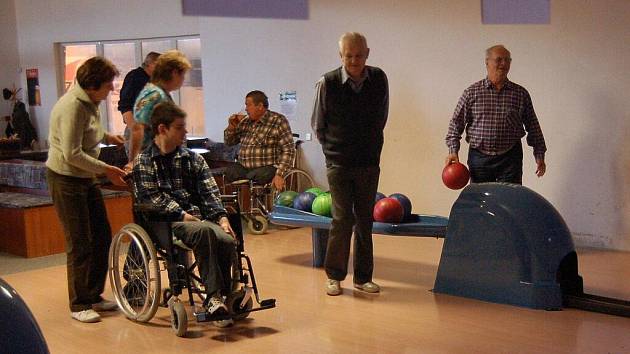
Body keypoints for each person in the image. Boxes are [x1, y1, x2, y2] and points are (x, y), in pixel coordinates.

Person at [132, 101, 237, 328]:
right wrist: (182, 214)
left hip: (199, 220)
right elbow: (151, 198)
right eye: (180, 127)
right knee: (204, 231)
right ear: (162, 129)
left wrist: (222, 217)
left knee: (227, 238)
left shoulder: (193, 159)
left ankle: (223, 296)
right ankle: (213, 297)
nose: (185, 132)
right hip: (166, 222)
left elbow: (210, 192)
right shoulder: (144, 161)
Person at [45, 56, 127, 323]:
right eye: (108, 85)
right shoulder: (72, 106)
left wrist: (107, 136)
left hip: (84, 178)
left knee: (102, 236)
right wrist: (105, 168)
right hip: (66, 178)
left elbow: (89, 131)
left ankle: (93, 295)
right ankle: (79, 304)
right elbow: (71, 153)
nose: (111, 90)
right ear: (92, 85)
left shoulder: (90, 102)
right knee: (79, 242)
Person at [311, 32, 389, 296]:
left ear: (367, 53)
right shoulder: (328, 82)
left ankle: (363, 278)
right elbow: (317, 124)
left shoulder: (379, 78)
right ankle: (334, 276)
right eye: (348, 56)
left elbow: (381, 117)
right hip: (338, 163)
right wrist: (334, 151)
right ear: (340, 56)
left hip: (368, 161)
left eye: (359, 55)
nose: (354, 60)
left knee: (365, 220)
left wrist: (369, 146)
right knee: (342, 219)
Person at [445, 45, 547, 184]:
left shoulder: (520, 94)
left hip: (510, 158)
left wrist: (539, 154)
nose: (503, 64)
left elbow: (533, 125)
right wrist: (453, 150)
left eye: (507, 60)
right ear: (487, 62)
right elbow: (456, 124)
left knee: (509, 201)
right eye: (499, 60)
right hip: (479, 158)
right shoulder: (472, 92)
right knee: (481, 201)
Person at [127, 49, 191, 168]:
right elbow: (138, 128)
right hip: (151, 158)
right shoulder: (153, 95)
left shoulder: (161, 94)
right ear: (174, 73)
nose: (183, 79)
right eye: (182, 75)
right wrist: (133, 161)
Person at [223, 90, 295, 190]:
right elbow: (229, 142)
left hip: (266, 167)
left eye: (248, 105)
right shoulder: (245, 122)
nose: (246, 109)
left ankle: (254, 198)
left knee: (256, 176)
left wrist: (280, 174)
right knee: (230, 171)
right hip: (244, 167)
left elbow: (289, 150)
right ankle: (237, 204)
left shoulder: (278, 120)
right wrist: (231, 127)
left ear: (260, 106)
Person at [117, 51, 160, 159]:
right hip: (139, 129)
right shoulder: (135, 77)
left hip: (150, 130)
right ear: (152, 64)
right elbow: (125, 104)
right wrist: (134, 128)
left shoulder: (153, 80)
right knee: (139, 166)